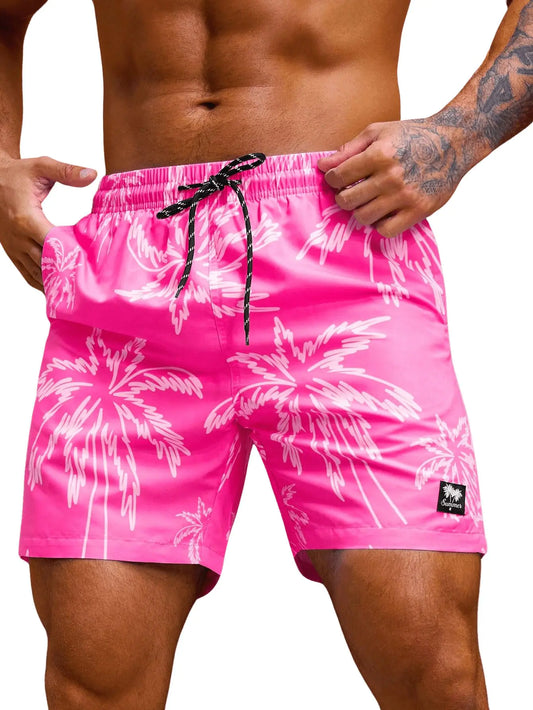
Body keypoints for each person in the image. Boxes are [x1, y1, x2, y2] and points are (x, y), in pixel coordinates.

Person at [0, 0, 531, 707]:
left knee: (433, 671)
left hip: (343, 246)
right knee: (89, 684)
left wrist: (458, 135)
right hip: (129, 273)